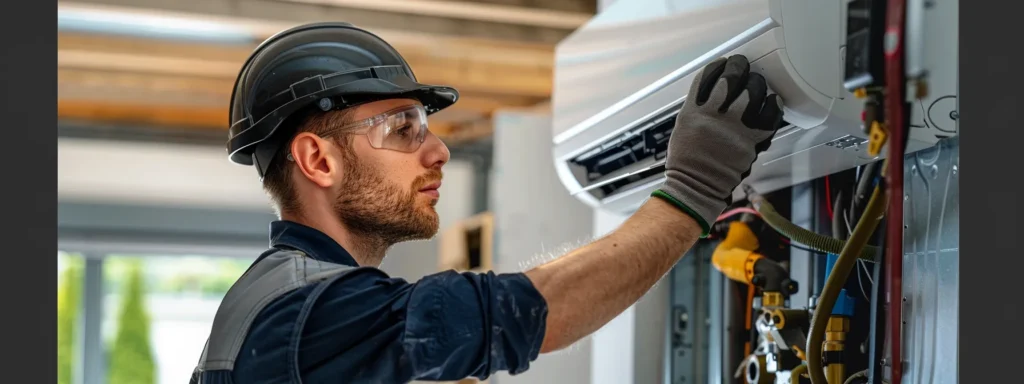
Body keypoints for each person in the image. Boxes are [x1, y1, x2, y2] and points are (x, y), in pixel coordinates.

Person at [191, 22, 783, 384]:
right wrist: (692, 190)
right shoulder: (312, 313)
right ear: (318, 161)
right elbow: (537, 309)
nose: (439, 151)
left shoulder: (290, 301)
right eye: (403, 129)